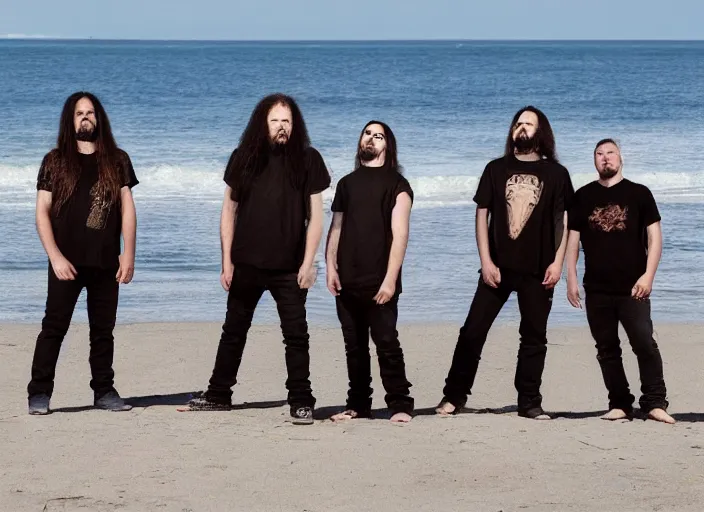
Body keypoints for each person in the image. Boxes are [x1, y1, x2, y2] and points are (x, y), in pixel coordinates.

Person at [183, 93, 330, 425]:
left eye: (287, 121)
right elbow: (228, 211)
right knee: (233, 330)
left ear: (296, 126)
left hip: (289, 267)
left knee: (296, 334)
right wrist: (226, 261)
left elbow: (317, 218)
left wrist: (309, 263)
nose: (281, 127)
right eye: (275, 120)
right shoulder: (244, 158)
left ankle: (302, 401)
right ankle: (219, 394)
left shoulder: (309, 160)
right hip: (246, 263)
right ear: (263, 123)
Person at [436, 106, 574, 420]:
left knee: (534, 336)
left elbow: (562, 221)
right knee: (472, 331)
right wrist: (485, 260)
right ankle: (453, 397)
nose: (522, 127)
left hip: (539, 270)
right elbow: (481, 215)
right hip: (497, 268)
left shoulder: (556, 173)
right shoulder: (495, 169)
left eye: (529, 123)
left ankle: (529, 402)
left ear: (541, 133)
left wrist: (557, 263)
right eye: (518, 123)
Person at [27, 91, 139, 415]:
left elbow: (128, 209)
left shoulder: (117, 160)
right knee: (54, 328)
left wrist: (128, 253)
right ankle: (39, 393)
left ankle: (104, 391)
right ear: (70, 120)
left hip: (106, 263)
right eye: (80, 113)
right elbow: (41, 213)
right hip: (67, 263)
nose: (86, 117)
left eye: (91, 112)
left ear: (98, 118)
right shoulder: (55, 160)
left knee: (103, 332)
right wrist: (55, 257)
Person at [566, 139, 674, 424]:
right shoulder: (583, 196)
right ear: (594, 161)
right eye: (599, 154)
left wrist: (649, 275)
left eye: (610, 153)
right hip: (597, 288)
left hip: (633, 287)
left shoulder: (639, 194)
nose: (605, 158)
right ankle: (620, 403)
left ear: (620, 158)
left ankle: (654, 403)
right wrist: (571, 279)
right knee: (606, 348)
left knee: (644, 343)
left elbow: (655, 238)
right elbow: (572, 242)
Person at [325, 121, 414, 424]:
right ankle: (358, 405)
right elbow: (336, 228)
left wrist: (391, 279)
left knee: (387, 342)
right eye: (367, 133)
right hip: (347, 280)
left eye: (379, 136)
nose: (371, 139)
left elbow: (400, 235)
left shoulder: (398, 185)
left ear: (388, 146)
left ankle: (400, 404)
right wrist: (330, 267)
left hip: (380, 281)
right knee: (354, 347)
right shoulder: (346, 184)